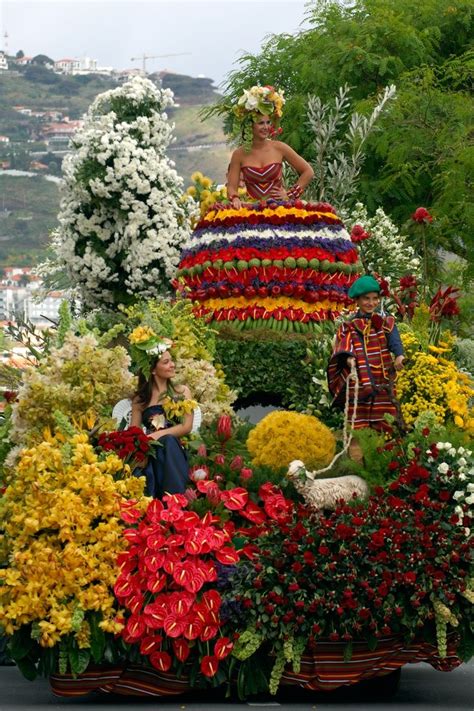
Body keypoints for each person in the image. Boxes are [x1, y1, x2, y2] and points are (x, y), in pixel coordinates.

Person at [327, 275, 405, 434]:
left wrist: (399, 355)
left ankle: (384, 453)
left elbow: (395, 341)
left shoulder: (386, 322)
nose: (371, 303)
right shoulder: (348, 326)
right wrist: (348, 359)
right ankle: (357, 454)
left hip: (383, 379)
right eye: (366, 299)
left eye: (375, 298)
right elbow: (343, 345)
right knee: (357, 425)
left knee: (386, 422)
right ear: (357, 300)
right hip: (360, 381)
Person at [130, 341, 193, 498]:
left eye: (171, 360)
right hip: (151, 454)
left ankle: (175, 502)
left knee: (169, 441)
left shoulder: (181, 392)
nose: (172, 365)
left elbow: (186, 427)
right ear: (152, 370)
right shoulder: (140, 400)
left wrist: (154, 436)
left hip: (174, 452)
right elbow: (134, 435)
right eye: (166, 362)